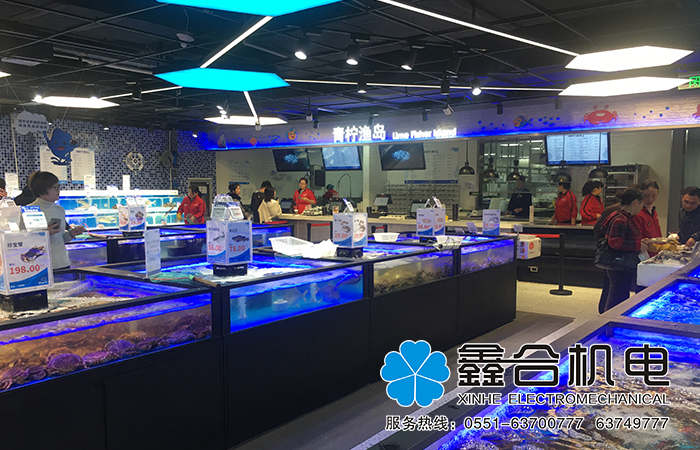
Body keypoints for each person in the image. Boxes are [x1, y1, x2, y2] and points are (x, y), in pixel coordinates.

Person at [597, 188, 649, 313]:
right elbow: (615, 242)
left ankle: (613, 318)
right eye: (641, 204)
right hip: (619, 264)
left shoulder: (623, 217)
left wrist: (639, 242)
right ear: (635, 203)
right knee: (618, 295)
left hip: (620, 263)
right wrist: (637, 245)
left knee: (619, 293)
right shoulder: (621, 219)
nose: (641, 208)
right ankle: (611, 320)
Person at [27, 171, 85, 270]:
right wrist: (45, 234)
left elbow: (61, 239)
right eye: (54, 187)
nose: (58, 190)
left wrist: (71, 234)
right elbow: (25, 242)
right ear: (42, 189)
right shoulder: (29, 210)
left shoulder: (59, 210)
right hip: (41, 266)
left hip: (63, 263)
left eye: (59, 187)